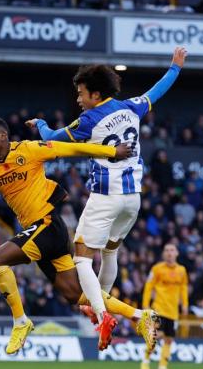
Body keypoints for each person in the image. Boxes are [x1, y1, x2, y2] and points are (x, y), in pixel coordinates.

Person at [0, 117, 157, 353]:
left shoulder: (29, 150)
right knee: (75, 294)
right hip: (40, 231)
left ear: (3, 136)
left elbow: (72, 149)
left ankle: (20, 321)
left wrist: (112, 152)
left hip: (48, 224)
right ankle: (138, 315)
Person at [26, 46, 187, 334]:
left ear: (96, 95)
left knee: (82, 257)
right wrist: (175, 67)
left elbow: (51, 139)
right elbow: (156, 91)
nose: (78, 98)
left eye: (81, 93)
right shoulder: (131, 106)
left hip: (105, 196)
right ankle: (98, 304)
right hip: (132, 199)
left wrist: (39, 123)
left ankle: (103, 317)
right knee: (110, 253)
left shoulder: (88, 120)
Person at [141, 243, 189, 369]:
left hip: (173, 312)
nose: (169, 253)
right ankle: (146, 361)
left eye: (172, 250)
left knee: (169, 340)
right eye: (167, 250)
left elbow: (184, 288)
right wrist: (145, 305)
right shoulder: (157, 269)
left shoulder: (182, 270)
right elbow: (148, 287)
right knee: (157, 336)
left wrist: (185, 304)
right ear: (163, 254)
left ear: (177, 253)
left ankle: (162, 367)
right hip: (159, 309)